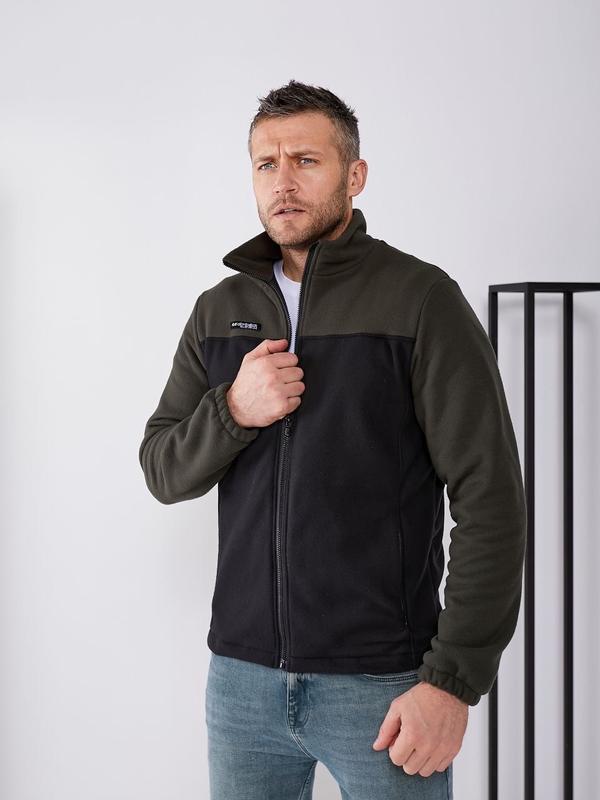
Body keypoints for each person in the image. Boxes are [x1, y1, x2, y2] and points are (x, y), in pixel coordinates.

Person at [138, 79, 527, 800]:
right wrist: (234, 409)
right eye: (266, 163)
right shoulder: (218, 311)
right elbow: (163, 469)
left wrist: (451, 682)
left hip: (383, 686)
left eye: (306, 160)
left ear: (355, 175)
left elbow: (491, 499)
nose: (282, 181)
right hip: (242, 685)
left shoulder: (420, 299)